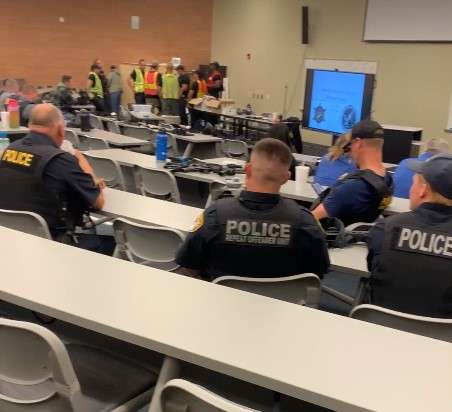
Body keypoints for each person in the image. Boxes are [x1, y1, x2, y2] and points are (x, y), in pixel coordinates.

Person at [176, 138, 330, 281]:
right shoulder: (306, 222)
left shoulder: (214, 216)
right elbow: (317, 273)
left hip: (220, 306)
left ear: (247, 170)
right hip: (282, 307)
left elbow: (188, 265)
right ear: (286, 177)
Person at [0, 103, 113, 255]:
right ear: (60, 129)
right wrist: (91, 179)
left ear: (30, 125)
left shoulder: (9, 149)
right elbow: (98, 202)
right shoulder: (61, 160)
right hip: (52, 247)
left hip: (11, 242)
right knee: (112, 244)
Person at [367, 154, 452, 318]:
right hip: (442, 340)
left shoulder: (385, 228)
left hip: (382, 331)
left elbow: (374, 270)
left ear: (423, 190)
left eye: (414, 183)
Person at [311, 120, 393, 226]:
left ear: (358, 143)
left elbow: (311, 221)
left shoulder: (351, 187)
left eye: (352, 144)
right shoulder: (389, 182)